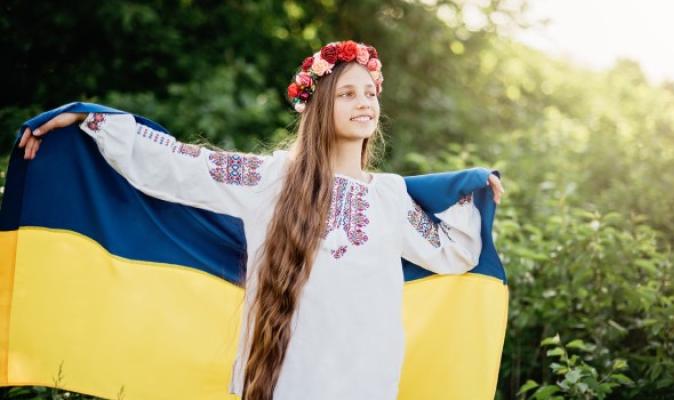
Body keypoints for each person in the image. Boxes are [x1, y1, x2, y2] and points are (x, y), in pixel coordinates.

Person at [17, 40, 504, 400]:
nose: (364, 103)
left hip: (367, 383)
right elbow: (177, 164)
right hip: (285, 381)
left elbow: (454, 252)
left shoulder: (391, 197)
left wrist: (470, 194)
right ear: (318, 107)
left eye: (369, 93)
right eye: (347, 94)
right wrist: (90, 122)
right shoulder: (271, 178)